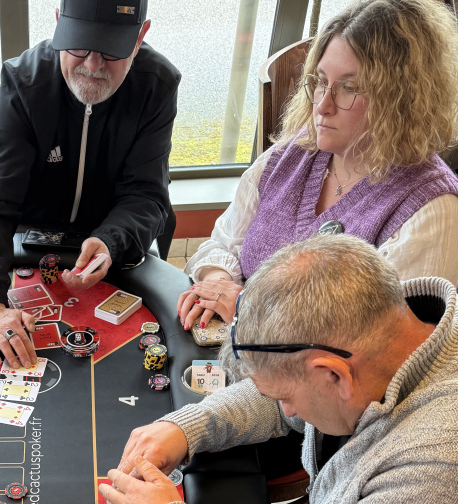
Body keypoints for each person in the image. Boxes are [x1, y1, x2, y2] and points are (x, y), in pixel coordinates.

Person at [106, 235, 458, 504]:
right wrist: (187, 425)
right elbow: (279, 395)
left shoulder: (437, 456)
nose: (286, 410)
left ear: (334, 375)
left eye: (287, 397)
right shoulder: (383, 332)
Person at [178, 0, 458, 334]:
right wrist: (218, 281)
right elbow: (221, 244)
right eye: (321, 81)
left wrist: (245, 306)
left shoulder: (432, 211)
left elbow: (382, 344)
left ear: (402, 100)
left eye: (349, 88)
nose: (322, 105)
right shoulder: (290, 155)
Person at [0, 0, 179, 370]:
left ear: (140, 36)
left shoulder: (157, 82)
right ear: (58, 22)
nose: (92, 66)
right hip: (30, 237)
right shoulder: (23, 79)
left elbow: (146, 195)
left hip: (115, 243)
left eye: (111, 50)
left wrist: (111, 241)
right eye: (79, 46)